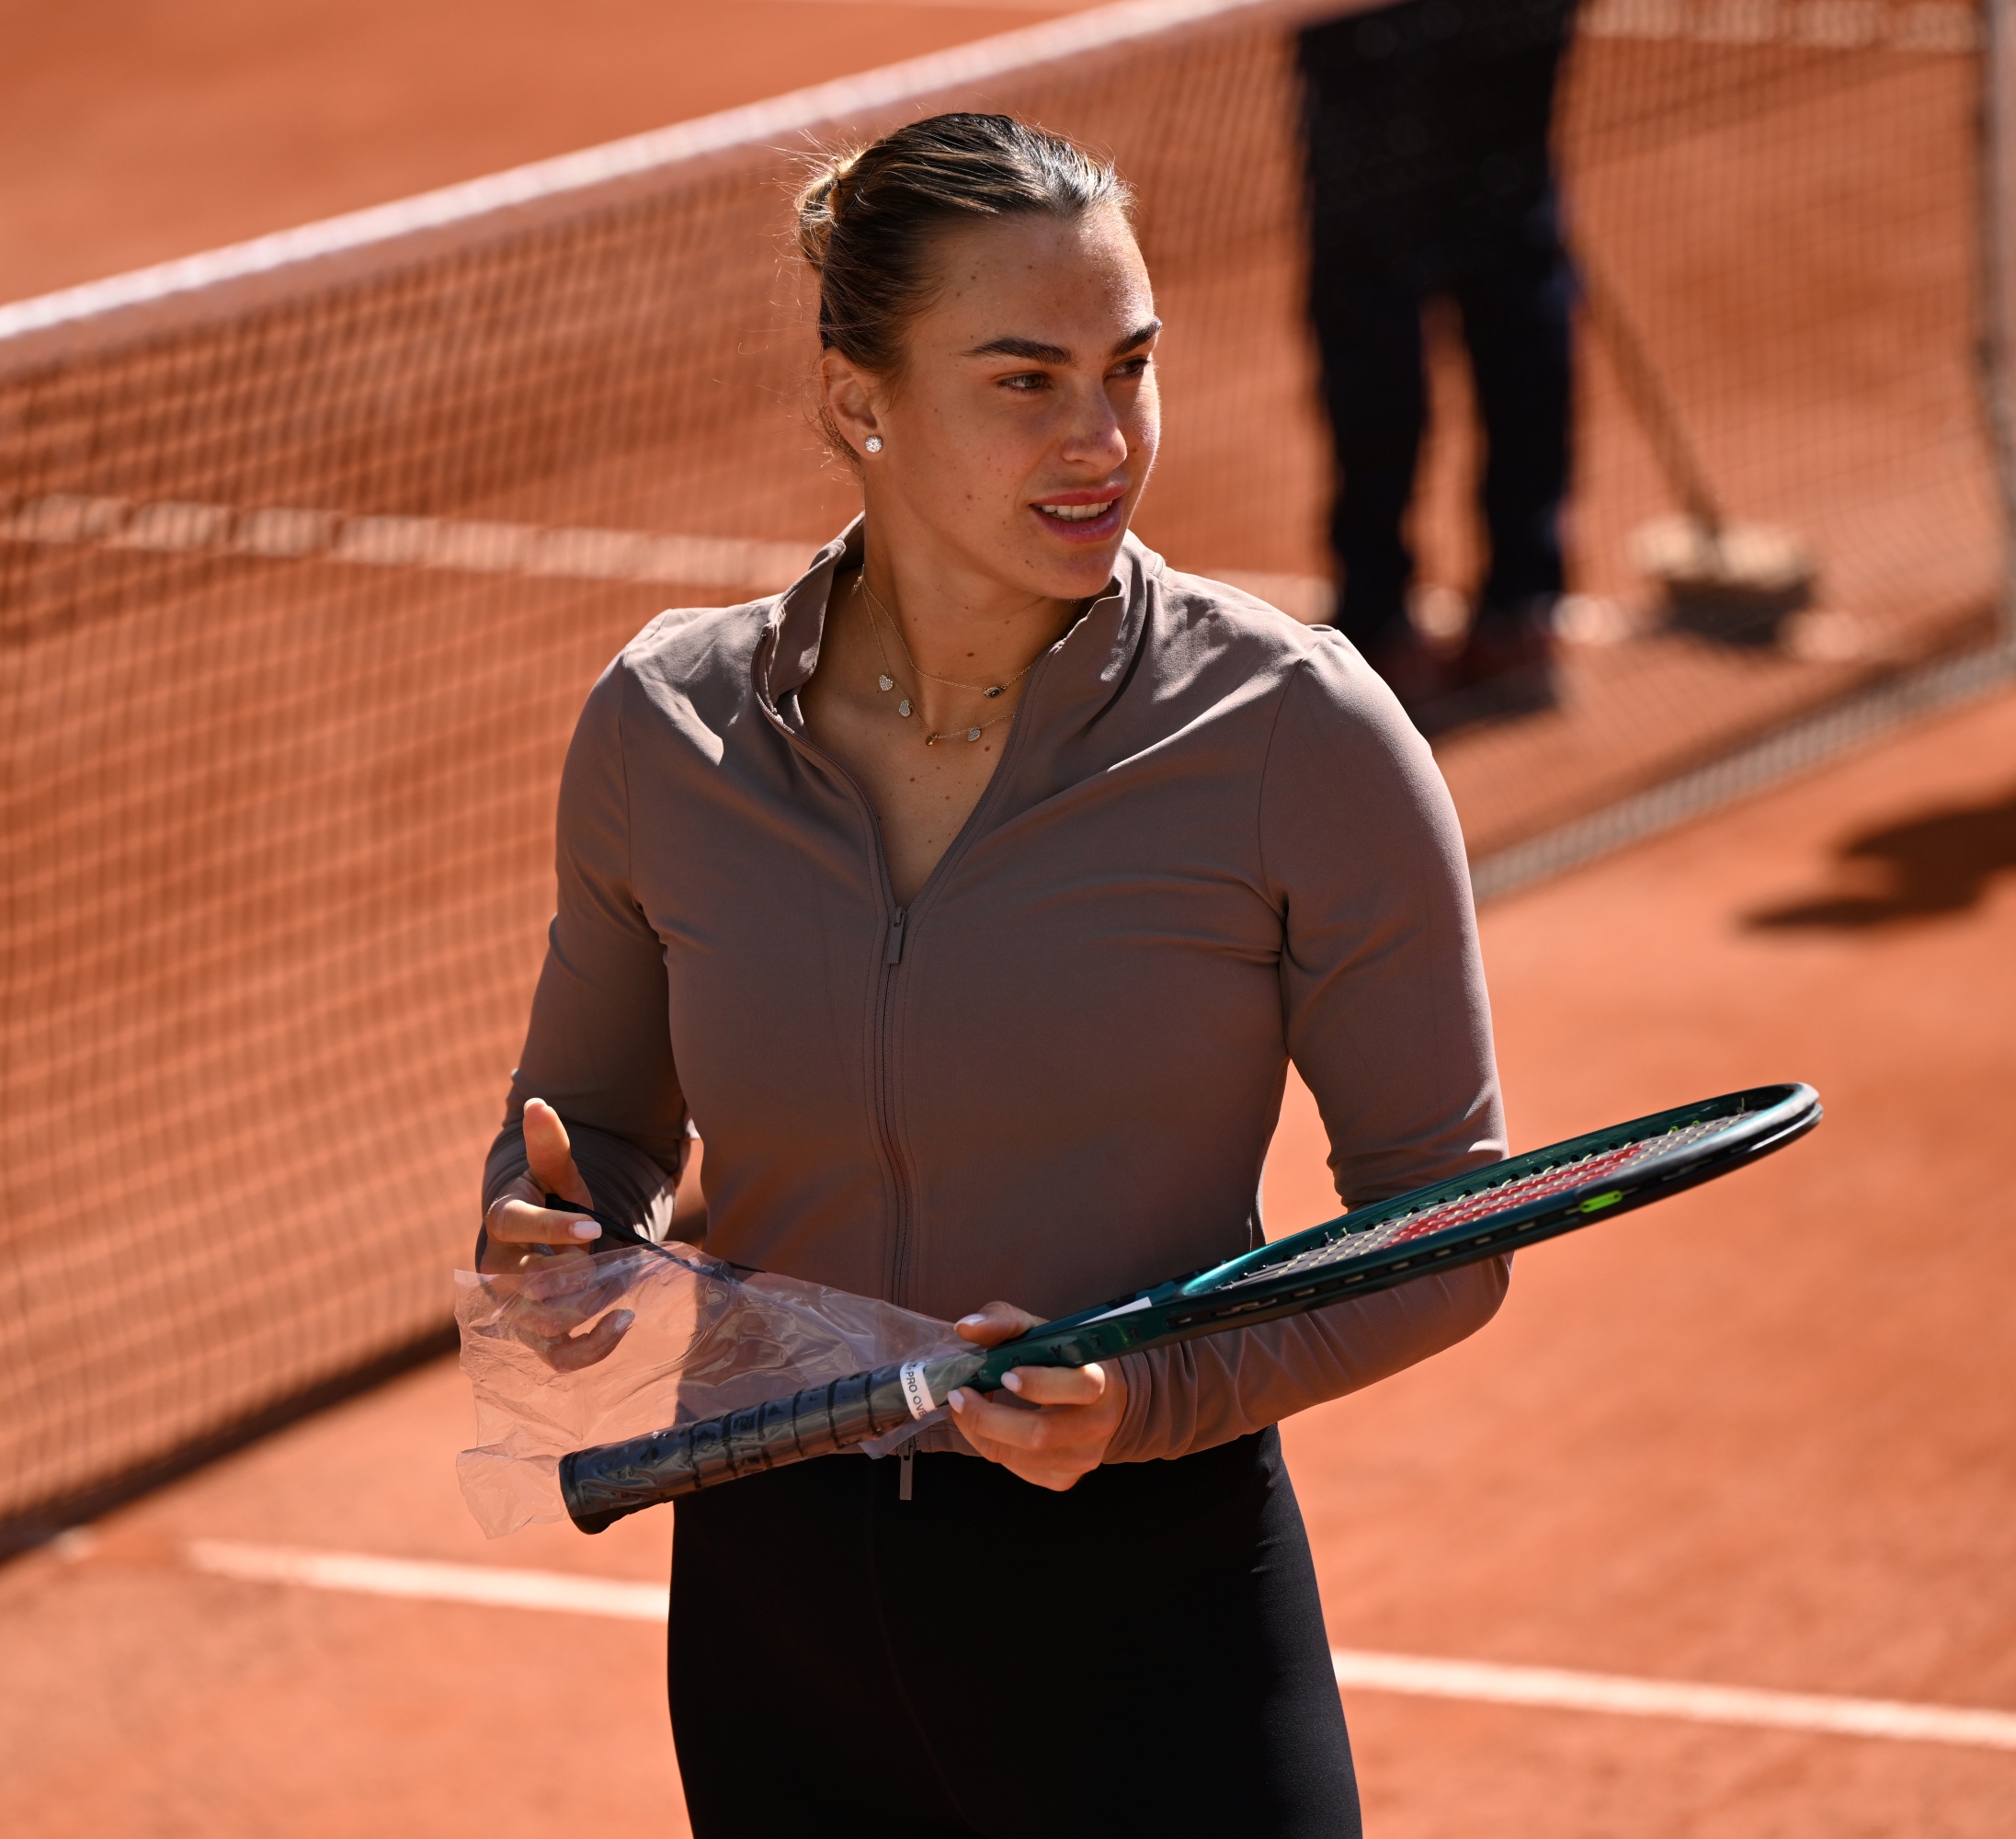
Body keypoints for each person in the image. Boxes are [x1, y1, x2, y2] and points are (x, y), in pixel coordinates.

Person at [476, 113, 1509, 1837]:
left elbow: (1448, 1225)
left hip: (1147, 1618)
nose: (1104, 440)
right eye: (1024, 379)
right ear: (852, 397)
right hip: (774, 1608)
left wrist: (1153, 1394)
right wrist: (555, 1234)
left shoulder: (1295, 736)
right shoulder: (668, 726)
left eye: (1131, 365)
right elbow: (590, 1123)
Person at [1298, 0, 1582, 720]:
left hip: (1376, 25)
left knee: (1372, 296)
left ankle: (1379, 624)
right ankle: (1522, 616)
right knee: (1513, 253)